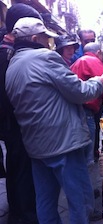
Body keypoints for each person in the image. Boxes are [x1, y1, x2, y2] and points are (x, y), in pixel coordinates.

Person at [6, 17, 103, 223]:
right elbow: (79, 92)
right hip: (63, 144)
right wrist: (99, 82)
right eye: (45, 38)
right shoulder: (45, 57)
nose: (49, 43)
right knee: (78, 199)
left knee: (45, 200)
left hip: (36, 145)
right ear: (35, 38)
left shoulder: (13, 64)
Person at [0, 4, 44, 224]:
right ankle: (24, 215)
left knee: (17, 165)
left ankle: (18, 210)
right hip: (16, 120)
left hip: (13, 120)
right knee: (22, 167)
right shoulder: (6, 52)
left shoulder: (9, 49)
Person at [71, 43, 103, 166]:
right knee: (88, 139)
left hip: (76, 106)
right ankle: (89, 170)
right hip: (87, 108)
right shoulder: (92, 61)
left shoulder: (78, 62)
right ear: (98, 53)